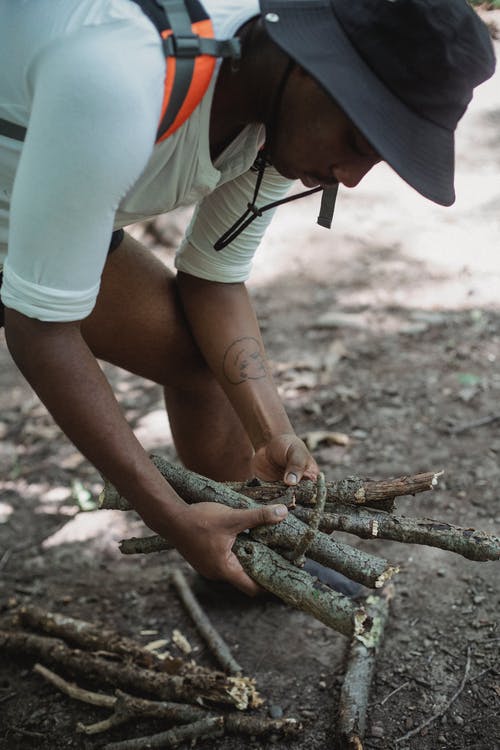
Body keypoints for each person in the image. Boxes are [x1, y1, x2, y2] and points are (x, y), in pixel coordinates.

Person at [0, 0, 495, 595]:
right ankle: (202, 535)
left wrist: (270, 432)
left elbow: (213, 277)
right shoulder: (121, 81)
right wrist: (172, 519)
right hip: (26, 202)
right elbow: (39, 328)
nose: (354, 175)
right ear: (318, 71)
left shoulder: (275, 99)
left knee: (202, 360)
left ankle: (239, 545)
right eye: (360, 139)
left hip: (38, 202)